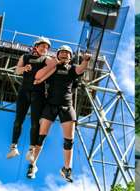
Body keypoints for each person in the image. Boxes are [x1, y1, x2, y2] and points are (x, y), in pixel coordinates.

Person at [26, 45, 91, 182]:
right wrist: (51, 64)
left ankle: (66, 169)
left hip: (66, 106)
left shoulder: (72, 69)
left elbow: (81, 69)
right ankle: (32, 165)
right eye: (61, 52)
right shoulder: (52, 67)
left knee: (69, 140)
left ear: (70, 57)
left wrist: (86, 60)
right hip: (50, 105)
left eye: (67, 53)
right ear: (57, 54)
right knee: (40, 136)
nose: (64, 55)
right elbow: (38, 76)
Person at [7, 37, 57, 162]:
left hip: (38, 93)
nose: (44, 49)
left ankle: (31, 150)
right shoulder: (25, 57)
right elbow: (17, 71)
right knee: (18, 120)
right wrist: (24, 69)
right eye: (42, 46)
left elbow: (54, 67)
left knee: (35, 123)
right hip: (24, 91)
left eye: (47, 47)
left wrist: (41, 79)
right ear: (36, 46)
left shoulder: (46, 59)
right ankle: (13, 148)